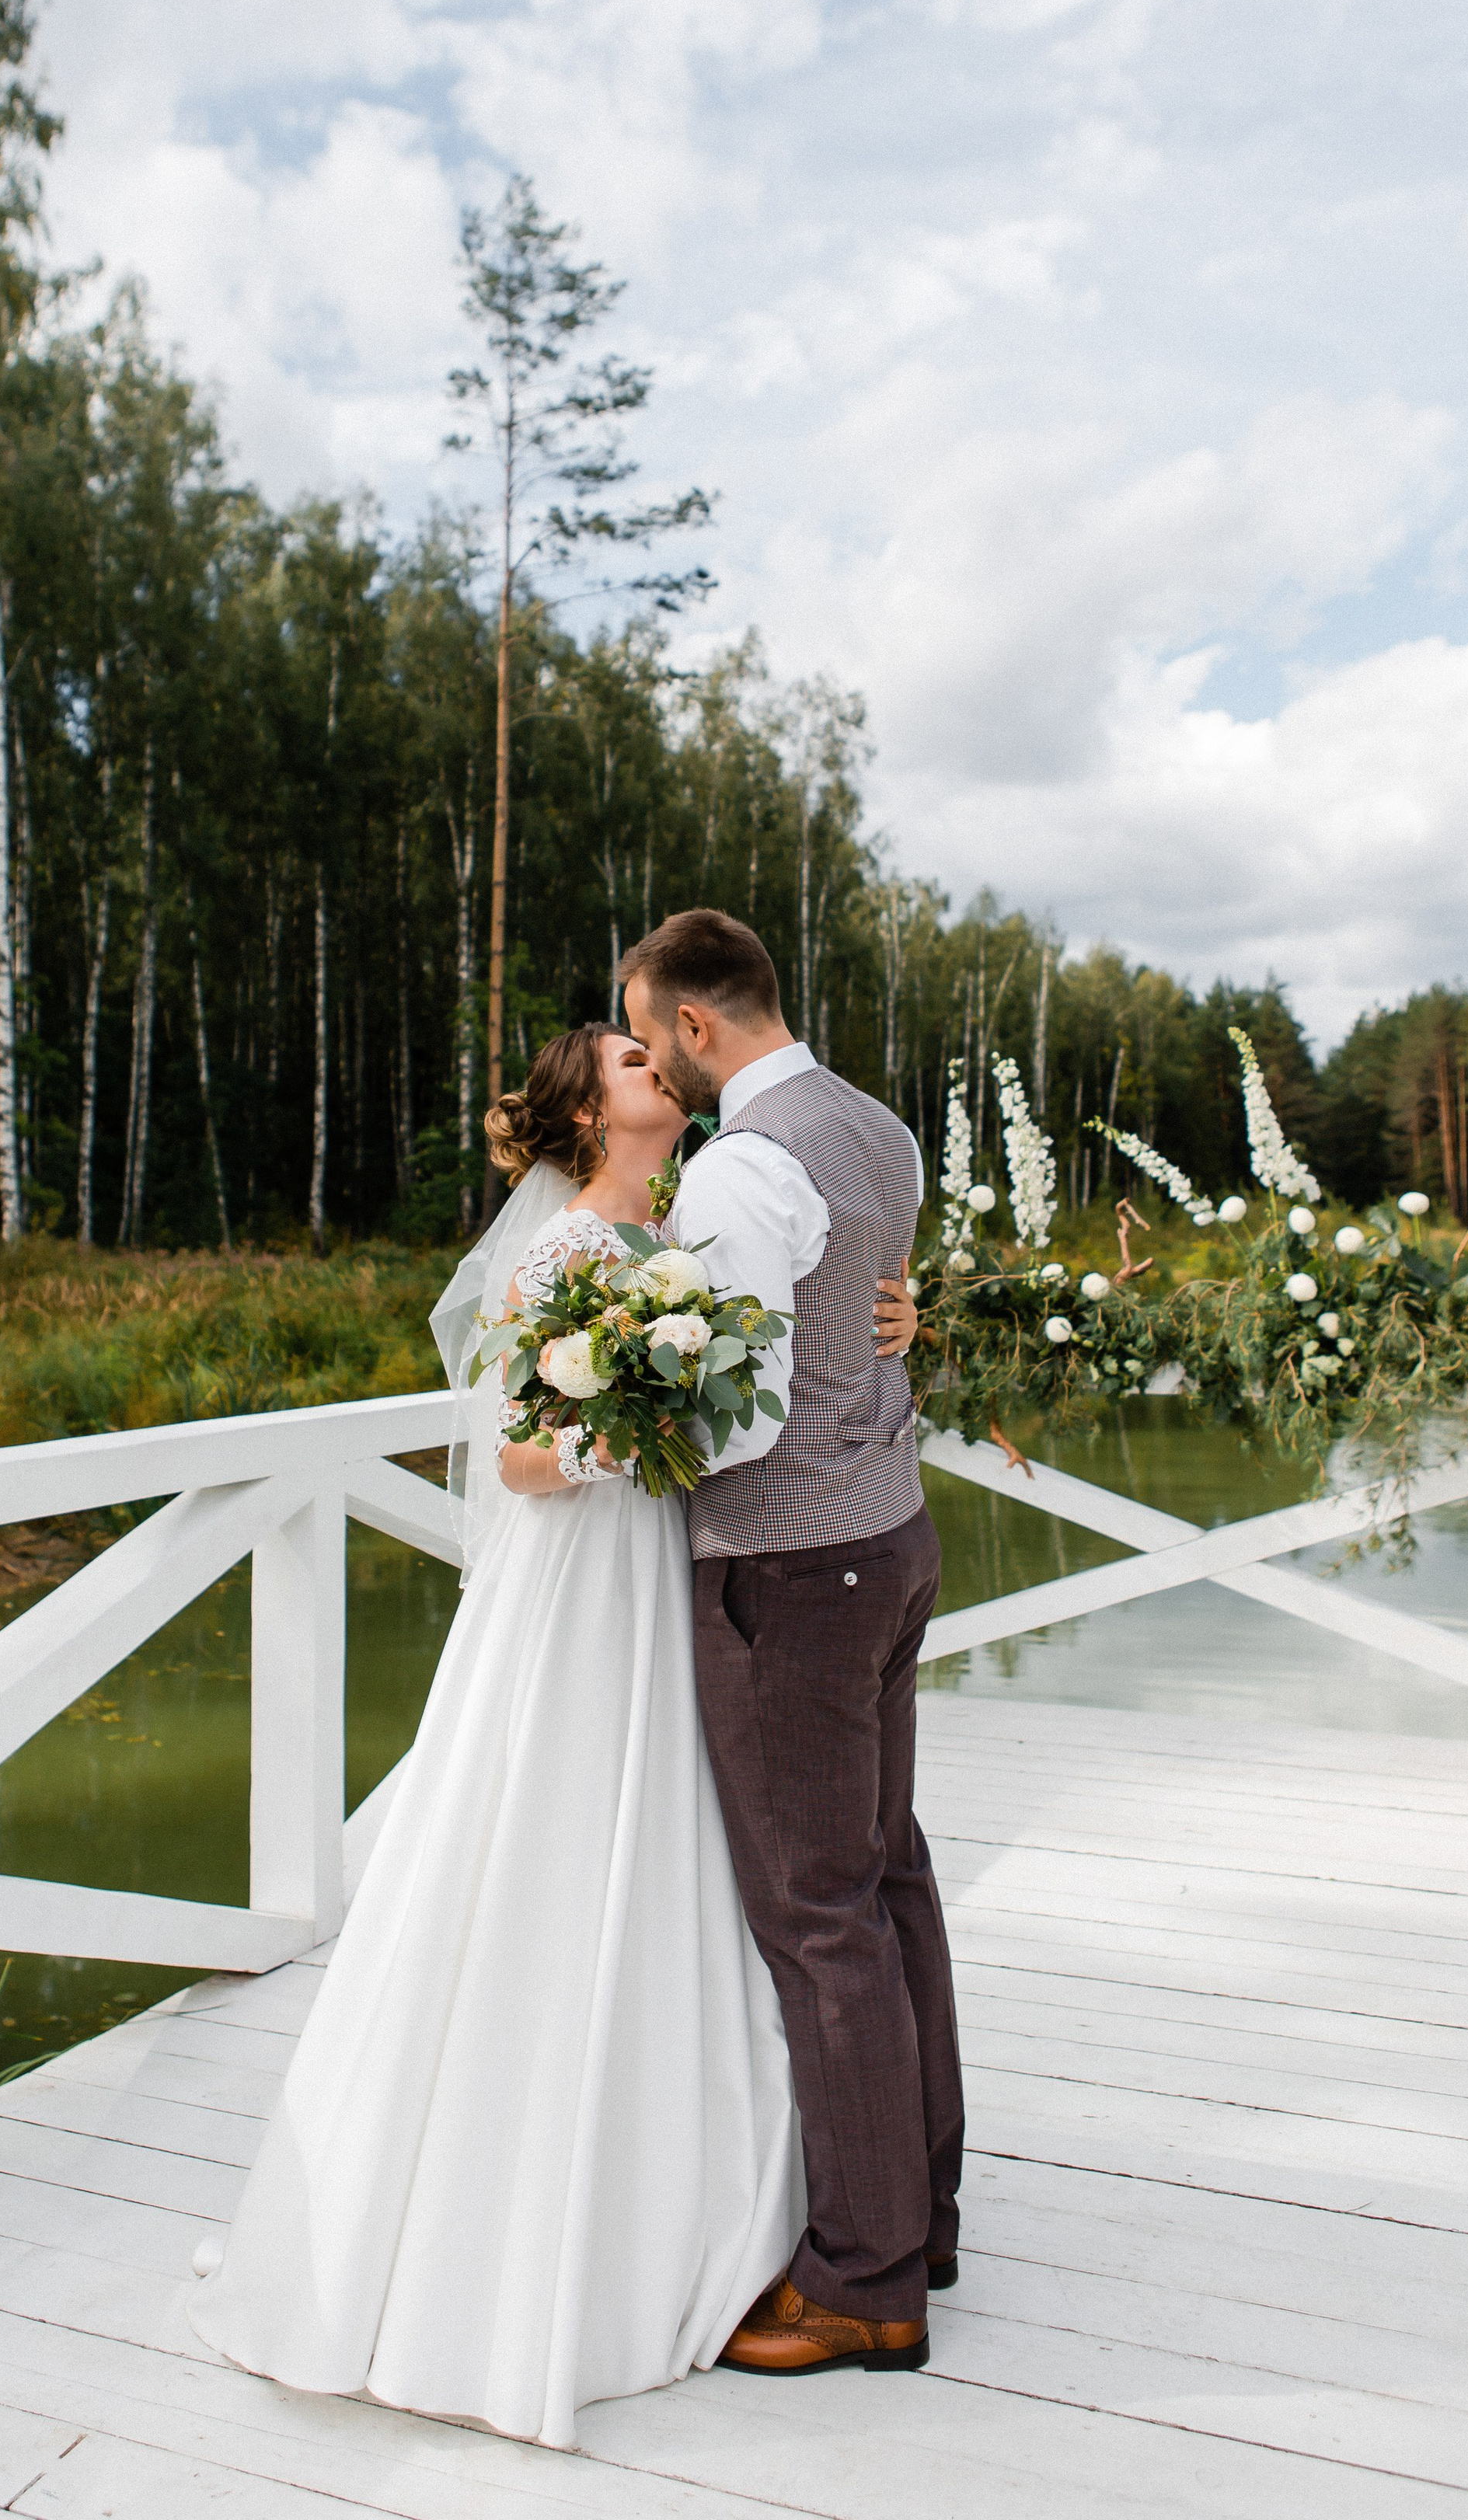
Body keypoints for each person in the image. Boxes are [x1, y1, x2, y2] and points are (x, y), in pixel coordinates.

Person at [190, 1019, 919, 2449]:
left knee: (700, 1857)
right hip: (587, 1582)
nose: (661, 1069)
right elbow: (522, 1457)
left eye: (657, 1051)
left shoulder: (697, 1219)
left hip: (679, 1570)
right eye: (631, 1064)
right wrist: (630, 1419)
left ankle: (724, 2195)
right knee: (556, 1835)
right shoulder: (566, 1254)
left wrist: (897, 1321)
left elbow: (794, 1328)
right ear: (591, 1120)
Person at [621, 909, 964, 2381]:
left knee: (820, 1917)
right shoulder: (877, 1127)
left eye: (647, 1030)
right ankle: (919, 2207)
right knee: (888, 1880)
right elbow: (869, 1320)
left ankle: (865, 2279)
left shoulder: (743, 1167)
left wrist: (610, 1426)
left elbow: (737, 1411)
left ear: (697, 1026)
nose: (649, 1057)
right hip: (891, 1535)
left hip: (792, 1565)